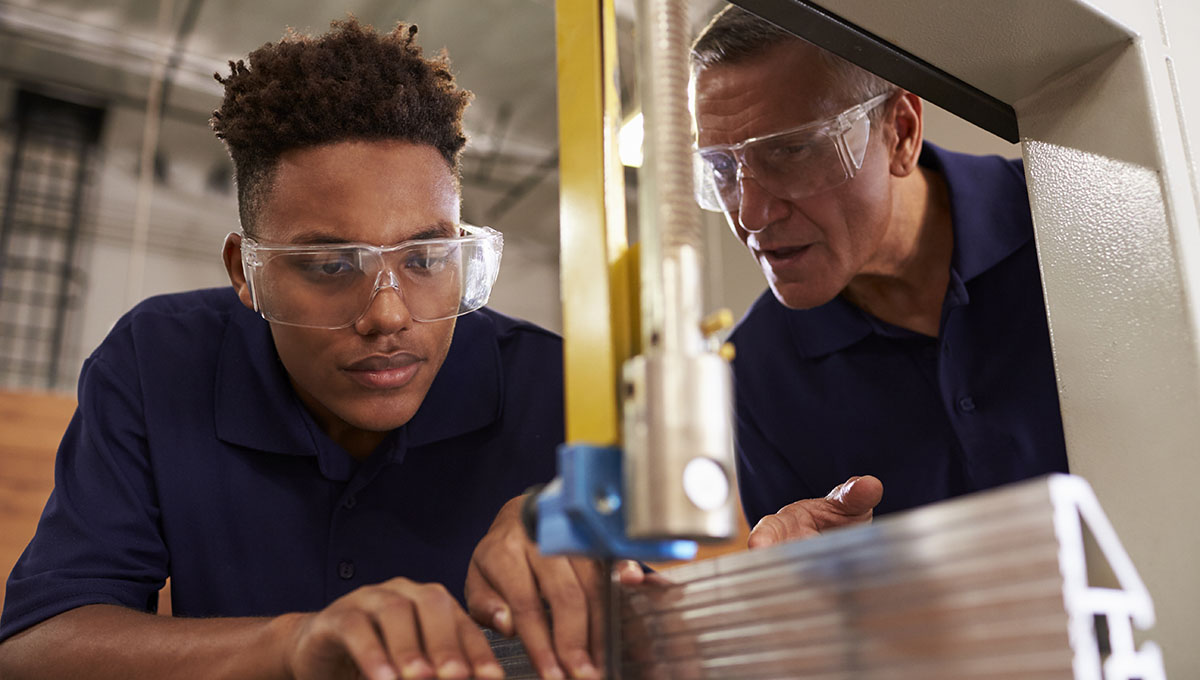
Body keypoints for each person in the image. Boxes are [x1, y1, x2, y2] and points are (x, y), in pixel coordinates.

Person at [0, 18, 562, 680]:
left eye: (428, 257)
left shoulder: (552, 388)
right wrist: (295, 644)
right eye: (330, 264)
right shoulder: (159, 363)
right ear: (247, 271)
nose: (388, 314)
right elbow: (35, 647)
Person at [689, 6, 1068, 537]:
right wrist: (798, 588)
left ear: (901, 132)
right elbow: (825, 604)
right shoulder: (760, 370)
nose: (749, 214)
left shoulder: (1073, 228)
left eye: (792, 150)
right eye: (723, 170)